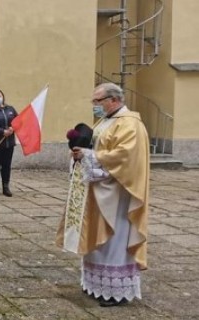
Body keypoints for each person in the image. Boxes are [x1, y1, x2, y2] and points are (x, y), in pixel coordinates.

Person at [60, 82, 150, 307]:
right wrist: (80, 152)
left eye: (97, 101)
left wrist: (90, 156)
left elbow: (124, 157)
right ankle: (97, 284)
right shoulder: (106, 121)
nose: (95, 106)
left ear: (114, 100)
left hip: (118, 193)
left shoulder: (131, 124)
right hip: (100, 187)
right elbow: (98, 147)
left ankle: (114, 289)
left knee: (114, 238)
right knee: (97, 237)